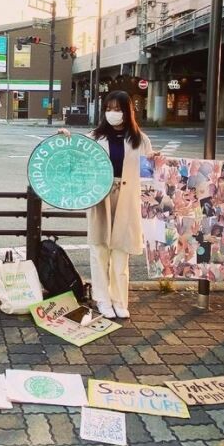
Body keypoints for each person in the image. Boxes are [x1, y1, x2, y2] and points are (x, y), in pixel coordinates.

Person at [60, 90, 153, 319]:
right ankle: (102, 299)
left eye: (118, 109)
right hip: (100, 196)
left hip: (127, 197)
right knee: (99, 249)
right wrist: (66, 139)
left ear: (128, 111)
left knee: (121, 251)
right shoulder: (95, 136)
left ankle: (119, 300)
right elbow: (76, 158)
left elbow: (150, 172)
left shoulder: (140, 139)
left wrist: (156, 161)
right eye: (109, 109)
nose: (113, 113)